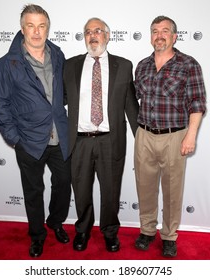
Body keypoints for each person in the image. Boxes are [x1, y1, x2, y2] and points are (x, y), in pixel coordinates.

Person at [0, 4, 71, 258]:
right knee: (33, 192)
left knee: (64, 184)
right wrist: (15, 138)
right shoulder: (6, 64)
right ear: (22, 28)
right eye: (30, 25)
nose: (36, 32)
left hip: (60, 137)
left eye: (41, 25)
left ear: (48, 28)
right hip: (29, 141)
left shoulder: (58, 55)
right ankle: (37, 235)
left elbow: (64, 93)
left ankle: (55, 222)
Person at [63, 17, 139, 252]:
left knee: (110, 191)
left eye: (98, 31)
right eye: (87, 32)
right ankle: (83, 231)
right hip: (79, 142)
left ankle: (109, 231)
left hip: (110, 140)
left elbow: (131, 105)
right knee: (82, 191)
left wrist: (143, 140)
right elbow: (60, 101)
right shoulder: (70, 66)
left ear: (107, 35)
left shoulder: (124, 65)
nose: (92, 35)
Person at [134, 15, 206, 257]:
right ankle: (146, 230)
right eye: (155, 31)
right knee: (145, 188)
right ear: (151, 36)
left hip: (175, 136)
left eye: (165, 30)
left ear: (174, 36)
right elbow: (134, 100)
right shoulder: (142, 65)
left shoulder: (189, 64)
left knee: (173, 190)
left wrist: (191, 136)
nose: (159, 35)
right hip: (144, 135)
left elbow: (197, 103)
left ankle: (169, 235)